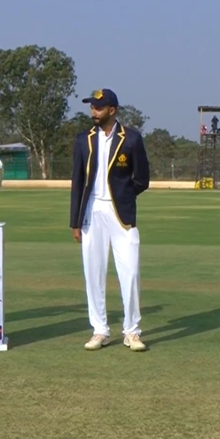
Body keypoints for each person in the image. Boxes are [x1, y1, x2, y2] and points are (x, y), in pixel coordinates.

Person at [70, 89, 150, 351]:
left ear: (112, 110)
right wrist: (75, 221)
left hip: (121, 214)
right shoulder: (83, 139)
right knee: (93, 272)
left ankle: (132, 331)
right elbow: (77, 182)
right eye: (92, 107)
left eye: (99, 108)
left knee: (130, 272)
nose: (94, 112)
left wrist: (124, 196)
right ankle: (100, 330)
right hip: (91, 211)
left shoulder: (132, 139)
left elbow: (142, 179)